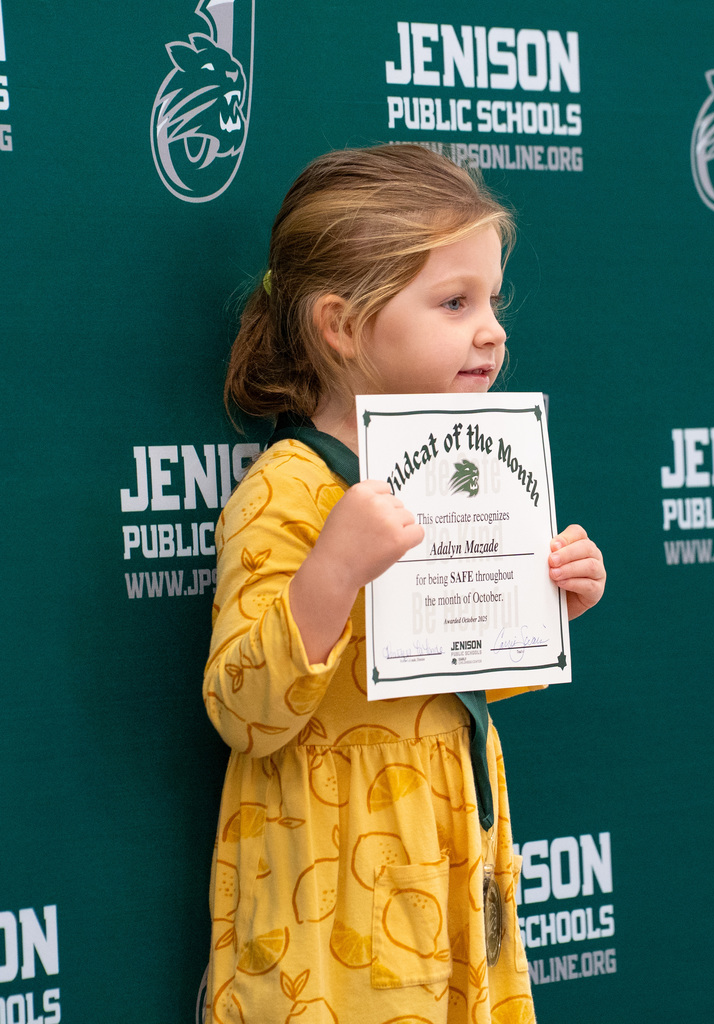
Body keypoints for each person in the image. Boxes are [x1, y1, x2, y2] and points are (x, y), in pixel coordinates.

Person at [202, 144, 606, 1024]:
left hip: (455, 870)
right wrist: (334, 570)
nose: (491, 329)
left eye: (492, 300)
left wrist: (549, 599)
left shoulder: (470, 469)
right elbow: (244, 709)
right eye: (454, 302)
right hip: (332, 905)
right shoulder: (288, 488)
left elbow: (451, 676)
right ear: (340, 326)